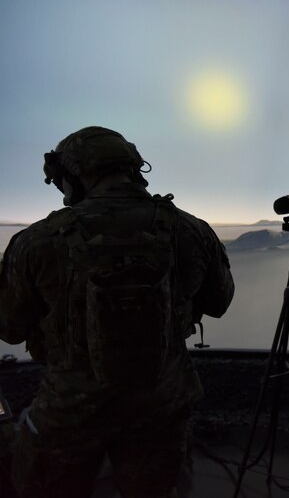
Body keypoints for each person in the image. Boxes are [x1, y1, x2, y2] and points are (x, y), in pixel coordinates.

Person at [0, 127, 234, 497]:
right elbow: (219, 303)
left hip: (70, 412)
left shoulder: (36, 241)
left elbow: (9, 327)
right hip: (161, 408)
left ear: (75, 175)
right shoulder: (192, 230)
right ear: (133, 168)